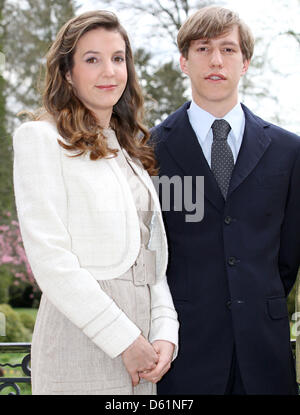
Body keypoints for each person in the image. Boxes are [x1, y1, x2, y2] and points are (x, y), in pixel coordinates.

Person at [13, 10, 179, 395]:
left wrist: (165, 332)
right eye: (92, 59)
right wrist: (124, 340)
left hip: (145, 353)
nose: (109, 71)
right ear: (68, 73)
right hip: (81, 339)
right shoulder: (40, 138)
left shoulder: (131, 153)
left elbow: (152, 257)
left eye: (118, 58)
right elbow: (51, 260)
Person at [152, 6, 300, 395]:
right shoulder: (148, 150)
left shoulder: (288, 151)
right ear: (184, 61)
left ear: (245, 62)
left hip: (264, 353)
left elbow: (288, 255)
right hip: (183, 354)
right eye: (202, 49)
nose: (216, 60)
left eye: (228, 49)